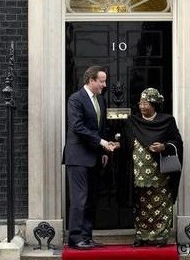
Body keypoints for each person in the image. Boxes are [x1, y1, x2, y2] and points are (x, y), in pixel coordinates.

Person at [116, 88, 183, 247]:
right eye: (140, 103)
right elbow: (125, 144)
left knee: (161, 204)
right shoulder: (132, 122)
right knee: (141, 205)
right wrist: (116, 145)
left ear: (154, 104)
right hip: (138, 174)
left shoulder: (167, 121)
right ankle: (142, 235)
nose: (142, 106)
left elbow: (177, 142)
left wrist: (164, 146)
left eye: (146, 103)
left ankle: (160, 236)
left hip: (161, 174)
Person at [63, 66, 115, 250]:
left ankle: (86, 236)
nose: (104, 84)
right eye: (101, 81)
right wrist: (102, 142)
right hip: (77, 157)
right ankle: (75, 238)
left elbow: (100, 129)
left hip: (94, 156)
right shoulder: (75, 99)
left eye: (104, 81)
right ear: (91, 80)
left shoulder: (100, 100)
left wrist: (103, 152)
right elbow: (77, 127)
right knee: (79, 198)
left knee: (91, 198)